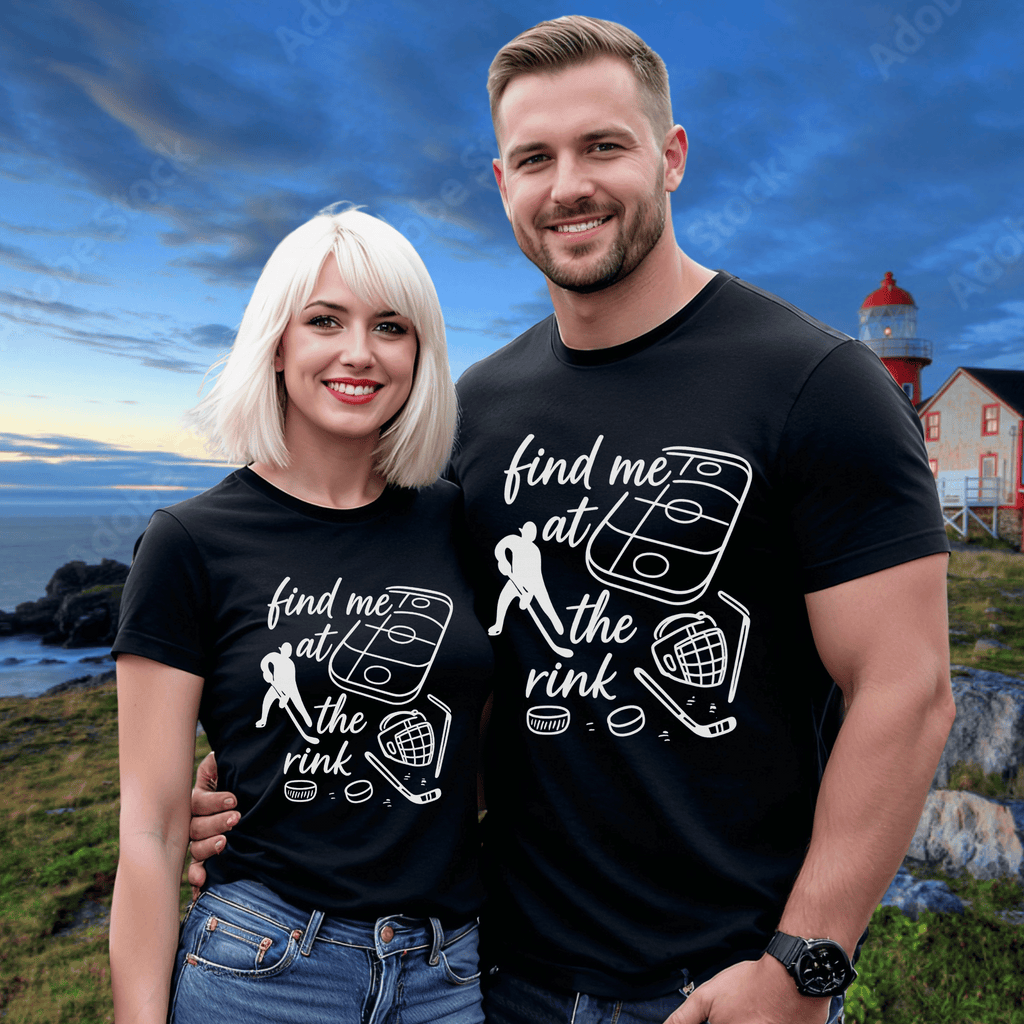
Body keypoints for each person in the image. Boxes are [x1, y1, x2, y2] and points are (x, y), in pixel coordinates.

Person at [188, 17, 956, 1024]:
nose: (569, 185)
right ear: (502, 182)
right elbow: (447, 667)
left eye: (603, 146)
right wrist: (271, 775)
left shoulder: (818, 386)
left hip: (717, 985)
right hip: (492, 974)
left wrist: (801, 964)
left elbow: (905, 688)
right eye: (534, 158)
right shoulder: (471, 414)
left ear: (670, 157)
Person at [109, 207, 493, 1024]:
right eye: (325, 320)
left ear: (419, 352)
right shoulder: (189, 542)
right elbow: (149, 830)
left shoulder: (459, 523)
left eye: (390, 326)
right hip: (264, 964)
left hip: (446, 973)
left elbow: (490, 747)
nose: (360, 351)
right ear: (277, 343)